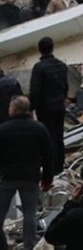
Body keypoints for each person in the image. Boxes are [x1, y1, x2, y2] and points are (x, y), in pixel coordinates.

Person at [0, 96, 53, 250]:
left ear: (14, 109)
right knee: (30, 213)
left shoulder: (3, 129)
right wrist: (47, 179)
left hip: (7, 177)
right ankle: (29, 246)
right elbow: (49, 156)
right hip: (31, 177)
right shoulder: (39, 129)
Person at [29, 37, 68, 175]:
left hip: (45, 109)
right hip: (59, 106)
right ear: (52, 48)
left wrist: (31, 108)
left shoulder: (39, 68)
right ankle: (60, 166)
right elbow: (65, 87)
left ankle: (49, 168)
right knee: (59, 136)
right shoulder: (61, 65)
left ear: (40, 50)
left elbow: (35, 91)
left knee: (47, 137)